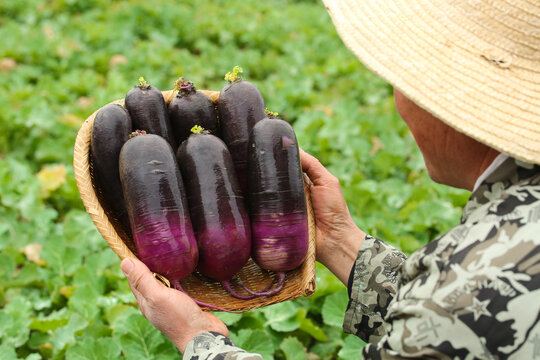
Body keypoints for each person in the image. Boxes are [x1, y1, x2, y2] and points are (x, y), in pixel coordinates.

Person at [120, 0, 540, 358]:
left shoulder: (467, 286)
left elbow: (454, 309)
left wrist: (200, 339)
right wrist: (340, 241)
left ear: (454, 105)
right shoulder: (496, 252)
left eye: (407, 81)